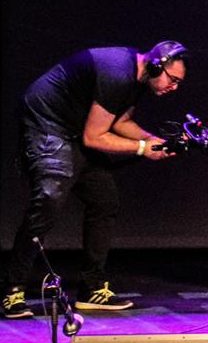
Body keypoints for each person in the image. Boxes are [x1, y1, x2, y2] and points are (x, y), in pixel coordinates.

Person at [4, 41, 186, 318]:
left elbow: (120, 122)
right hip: (47, 124)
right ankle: (11, 289)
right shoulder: (117, 75)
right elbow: (94, 137)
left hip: (75, 129)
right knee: (49, 199)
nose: (174, 87)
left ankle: (91, 288)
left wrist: (154, 141)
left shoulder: (137, 80)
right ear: (155, 66)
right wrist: (141, 149)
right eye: (172, 79)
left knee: (104, 199)